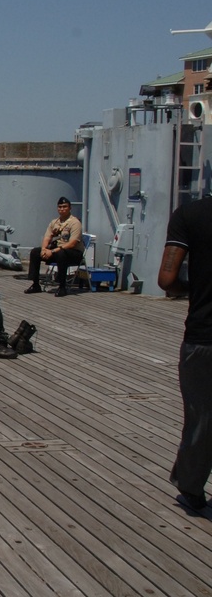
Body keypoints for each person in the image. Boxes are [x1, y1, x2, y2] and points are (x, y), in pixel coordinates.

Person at [158, 195, 212, 515]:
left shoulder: (189, 214)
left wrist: (197, 289)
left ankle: (191, 491)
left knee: (201, 418)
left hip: (204, 336)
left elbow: (167, 280)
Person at [24, 196, 84, 297]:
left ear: (70, 208)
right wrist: (44, 249)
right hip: (58, 251)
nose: (62, 209)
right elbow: (47, 237)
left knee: (61, 254)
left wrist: (52, 252)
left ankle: (62, 287)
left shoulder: (75, 223)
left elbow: (72, 243)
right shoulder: (54, 222)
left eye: (65, 206)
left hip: (73, 253)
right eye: (60, 207)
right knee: (35, 252)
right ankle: (35, 284)